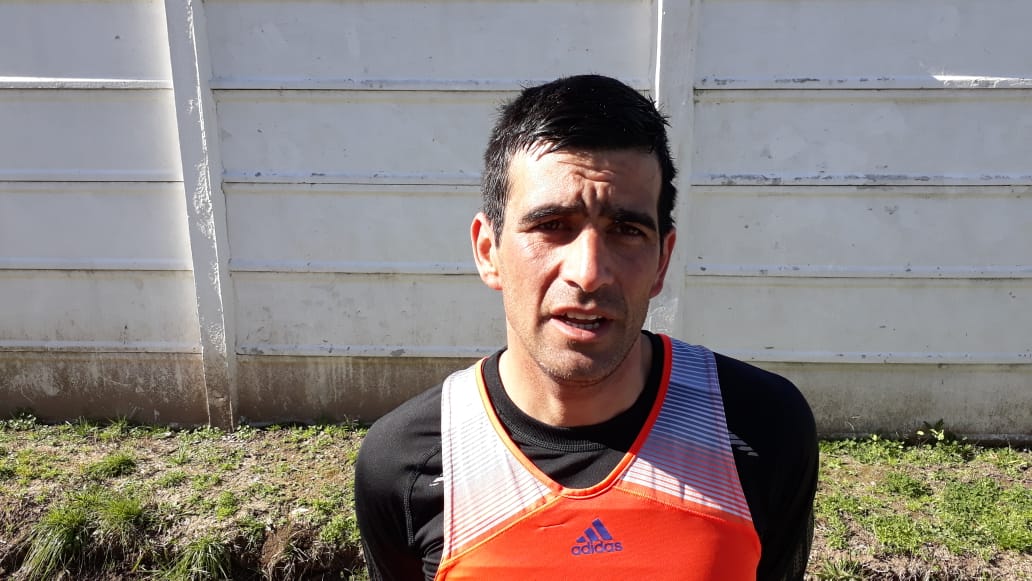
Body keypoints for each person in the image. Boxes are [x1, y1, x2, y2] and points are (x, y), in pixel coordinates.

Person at [354, 74, 818, 581]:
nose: (589, 272)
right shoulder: (406, 462)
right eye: (552, 225)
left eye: (626, 230)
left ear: (662, 262)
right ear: (488, 251)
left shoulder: (763, 424)